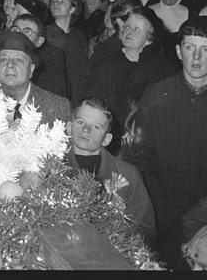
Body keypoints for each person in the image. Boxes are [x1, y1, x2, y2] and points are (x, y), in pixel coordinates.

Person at [124, 16, 207, 269]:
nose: (196, 57)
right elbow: (140, 160)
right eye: (189, 47)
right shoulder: (156, 95)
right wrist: (164, 213)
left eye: (206, 49)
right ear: (178, 51)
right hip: (168, 214)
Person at [64, 97, 156, 245]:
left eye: (96, 127)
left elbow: (144, 230)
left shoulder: (128, 174)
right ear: (69, 127)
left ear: (107, 139)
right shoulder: (50, 167)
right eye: (80, 122)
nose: (86, 130)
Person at [88, 5, 178, 148]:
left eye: (136, 29)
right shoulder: (106, 64)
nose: (129, 32)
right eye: (127, 27)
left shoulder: (163, 69)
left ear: (149, 37)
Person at [0, 31, 72, 127]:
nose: (10, 65)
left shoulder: (59, 108)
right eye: (3, 60)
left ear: (31, 69)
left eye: (18, 60)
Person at [43, 0, 90, 107]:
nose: (56, 4)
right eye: (53, 1)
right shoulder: (45, 33)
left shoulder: (79, 36)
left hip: (77, 96)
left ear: (72, 9)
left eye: (62, 1)